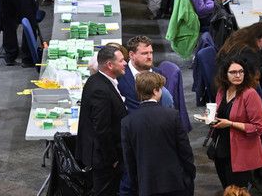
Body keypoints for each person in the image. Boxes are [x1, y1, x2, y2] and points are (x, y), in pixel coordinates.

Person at [121, 72, 196, 196]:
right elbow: (185, 151)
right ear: (156, 91)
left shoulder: (127, 122)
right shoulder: (172, 116)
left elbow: (129, 159)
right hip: (175, 182)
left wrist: (136, 184)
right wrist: (189, 175)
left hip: (146, 185)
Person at [75, 44, 128, 196]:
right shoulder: (101, 90)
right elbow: (102, 129)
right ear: (110, 65)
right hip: (103, 158)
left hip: (100, 155)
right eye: (121, 60)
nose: (125, 63)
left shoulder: (95, 80)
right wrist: (113, 159)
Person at [211, 57, 262, 189]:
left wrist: (231, 124)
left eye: (241, 71)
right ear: (225, 74)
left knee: (237, 191)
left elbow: (259, 128)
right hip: (221, 149)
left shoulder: (250, 94)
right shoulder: (222, 92)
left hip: (240, 153)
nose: (238, 75)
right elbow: (219, 114)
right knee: (227, 189)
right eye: (233, 72)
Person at [116, 36, 174, 112]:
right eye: (144, 53)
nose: (149, 57)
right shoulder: (119, 76)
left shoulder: (160, 75)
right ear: (131, 55)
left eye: (151, 52)